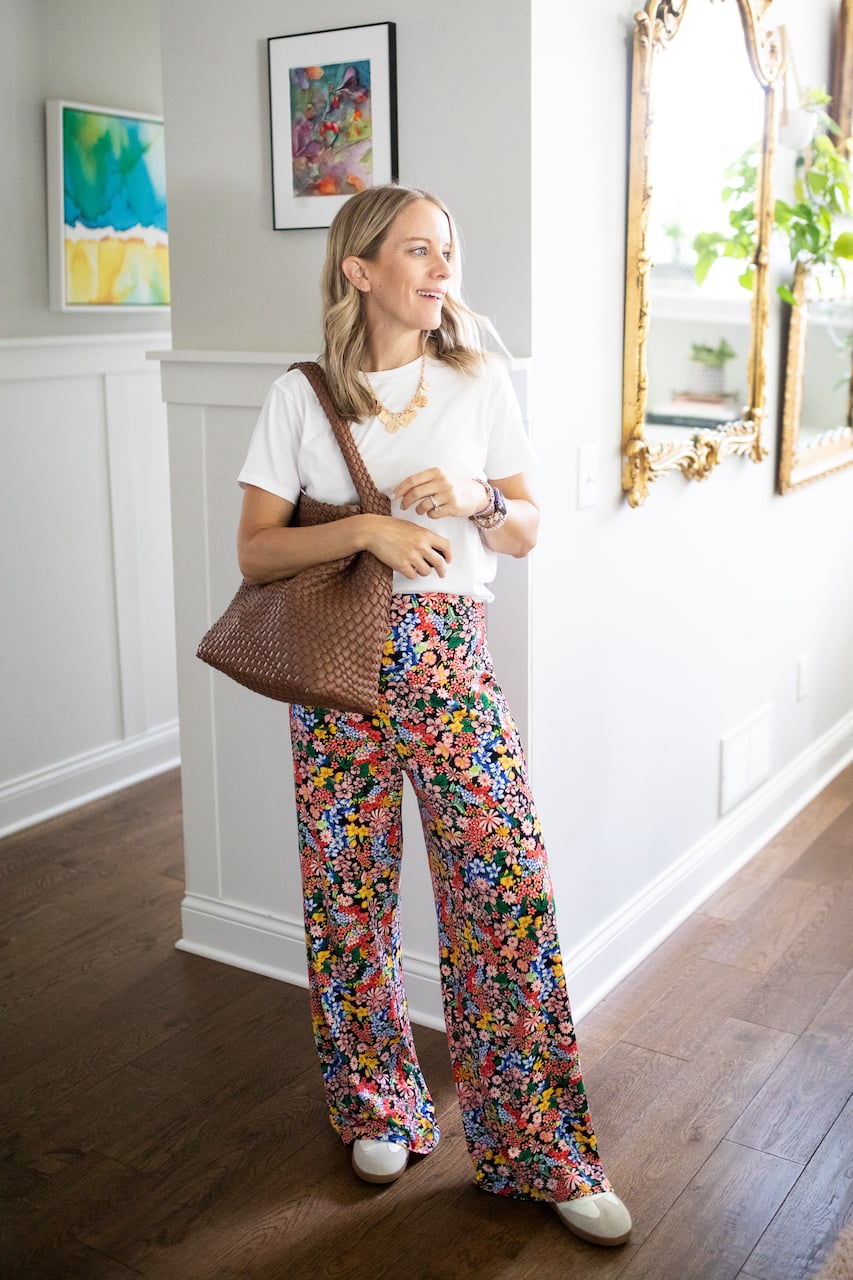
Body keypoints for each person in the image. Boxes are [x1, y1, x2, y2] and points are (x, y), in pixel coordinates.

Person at [235, 183, 632, 1248]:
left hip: (450, 660)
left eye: (447, 249)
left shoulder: (476, 377)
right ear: (361, 269)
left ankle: (539, 1145)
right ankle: (375, 1101)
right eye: (419, 250)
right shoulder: (303, 395)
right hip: (340, 672)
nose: (442, 267)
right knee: (347, 890)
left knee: (501, 887)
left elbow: (528, 528)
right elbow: (257, 549)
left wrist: (481, 502)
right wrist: (365, 527)